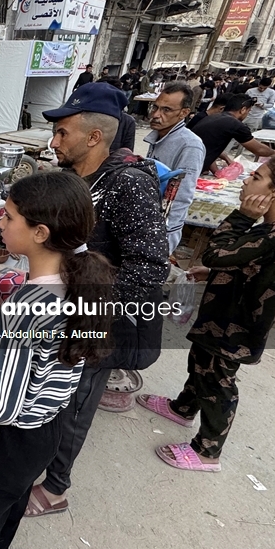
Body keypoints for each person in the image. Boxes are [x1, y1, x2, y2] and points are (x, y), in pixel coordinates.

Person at [0, 172, 114, 549]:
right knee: (5, 513)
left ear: (40, 233)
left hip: (4, 440)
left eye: (10, 217)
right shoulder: (74, 280)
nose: (0, 222)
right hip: (45, 429)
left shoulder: (27, 309)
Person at [138, 158, 275, 471]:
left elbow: (217, 252)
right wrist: (219, 270)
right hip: (229, 313)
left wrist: (242, 217)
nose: (246, 180)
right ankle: (184, 407)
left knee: (218, 381)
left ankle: (208, 451)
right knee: (201, 363)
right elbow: (252, 263)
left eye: (257, 177)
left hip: (236, 324)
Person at [24, 83, 169, 517]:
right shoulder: (75, 180)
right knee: (54, 395)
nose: (53, 141)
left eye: (62, 132)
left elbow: (148, 266)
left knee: (77, 405)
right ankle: (43, 466)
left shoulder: (128, 185)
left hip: (99, 322)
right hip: (65, 313)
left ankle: (55, 489)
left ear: (93, 137)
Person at [144, 82, 207, 255]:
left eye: (166, 110)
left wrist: (162, 233)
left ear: (184, 113)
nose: (156, 115)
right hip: (146, 220)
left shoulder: (190, 145)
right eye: (155, 107)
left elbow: (182, 196)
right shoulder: (159, 136)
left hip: (161, 230)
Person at [191, 94, 275, 174]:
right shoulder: (235, 124)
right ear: (243, 109)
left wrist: (217, 172)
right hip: (192, 167)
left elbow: (208, 147)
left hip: (190, 163)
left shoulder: (213, 117)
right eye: (248, 111)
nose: (247, 114)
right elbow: (258, 149)